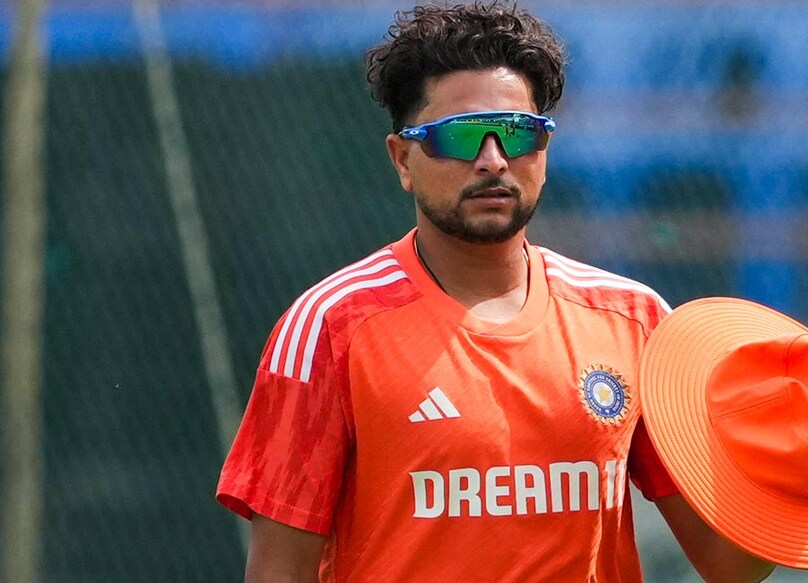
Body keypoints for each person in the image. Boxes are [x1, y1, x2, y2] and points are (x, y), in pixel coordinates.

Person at [216, 2, 775, 581]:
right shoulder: (329, 326)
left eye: (517, 133)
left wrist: (791, 462)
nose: (492, 159)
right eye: (460, 137)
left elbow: (732, 565)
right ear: (403, 159)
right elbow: (277, 573)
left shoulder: (634, 320)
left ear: (544, 150)